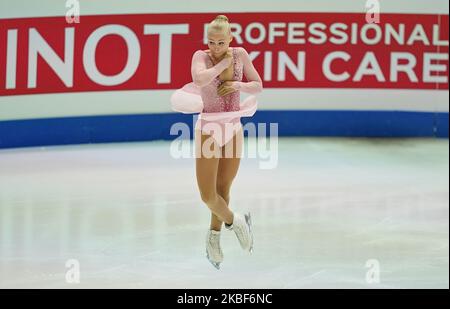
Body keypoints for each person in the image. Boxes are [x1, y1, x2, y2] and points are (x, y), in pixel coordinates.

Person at [170, 15, 263, 269]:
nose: (216, 47)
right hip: (209, 129)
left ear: (230, 39)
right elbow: (199, 80)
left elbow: (258, 86)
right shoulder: (200, 57)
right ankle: (238, 222)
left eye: (221, 43)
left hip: (233, 126)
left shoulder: (241, 54)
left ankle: (214, 238)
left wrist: (236, 84)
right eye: (211, 42)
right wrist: (222, 66)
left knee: (223, 190)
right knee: (207, 195)